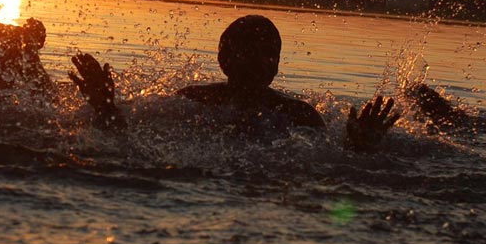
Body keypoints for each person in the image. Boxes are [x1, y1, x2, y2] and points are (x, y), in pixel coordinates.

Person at [70, 14, 400, 152]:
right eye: (250, 51)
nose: (262, 61)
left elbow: (326, 166)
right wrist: (104, 107)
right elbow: (131, 143)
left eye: (270, 53)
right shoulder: (193, 101)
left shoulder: (299, 115)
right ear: (225, 59)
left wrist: (358, 148)